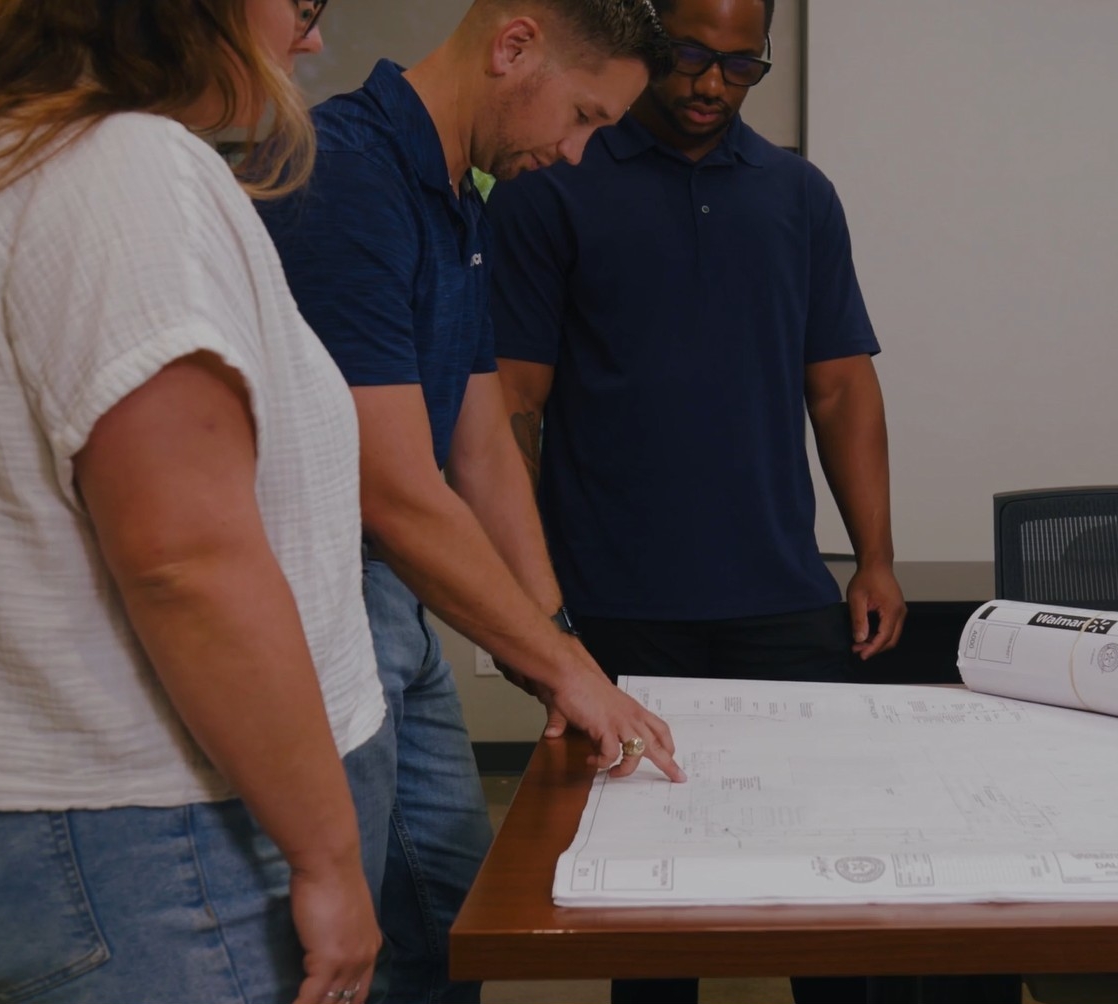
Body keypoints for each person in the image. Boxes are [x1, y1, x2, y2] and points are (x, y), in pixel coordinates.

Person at [0, 2, 391, 1003]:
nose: (309, 41)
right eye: (300, 5)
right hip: (149, 840)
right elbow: (188, 560)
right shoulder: (122, 173)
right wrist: (328, 856)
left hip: (11, 836)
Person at [257, 2, 687, 1000]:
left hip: (396, 608)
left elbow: (479, 435)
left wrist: (553, 640)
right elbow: (397, 487)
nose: (577, 153)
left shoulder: (462, 195)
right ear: (512, 45)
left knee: (452, 911)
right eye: (580, 115)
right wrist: (567, 669)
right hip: (321, 606)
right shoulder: (346, 176)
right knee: (342, 933)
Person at [486, 0, 907, 1000]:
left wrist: (875, 557)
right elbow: (509, 407)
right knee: (647, 896)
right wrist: (533, 611)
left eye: (739, 66)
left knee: (823, 875)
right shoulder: (555, 184)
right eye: (687, 58)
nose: (710, 85)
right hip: (619, 604)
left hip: (779, 592)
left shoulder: (797, 194)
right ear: (644, 42)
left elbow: (841, 384)